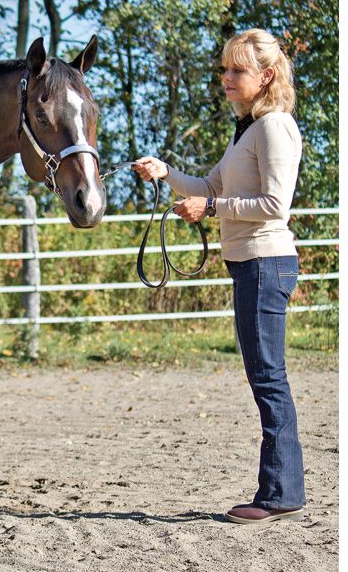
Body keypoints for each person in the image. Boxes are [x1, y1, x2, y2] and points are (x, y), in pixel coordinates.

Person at [133, 28, 305, 524]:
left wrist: (211, 206)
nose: (226, 78)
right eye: (225, 69)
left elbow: (275, 204)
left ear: (266, 76)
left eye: (237, 70)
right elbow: (208, 184)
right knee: (266, 376)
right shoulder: (248, 130)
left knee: (269, 378)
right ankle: (281, 490)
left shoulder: (274, 127)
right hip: (251, 263)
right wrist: (166, 174)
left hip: (263, 261)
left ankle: (279, 494)